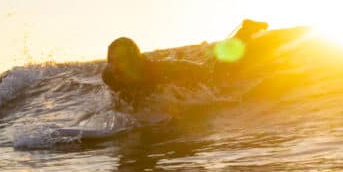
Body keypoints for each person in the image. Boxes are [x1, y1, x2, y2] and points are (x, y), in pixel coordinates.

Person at [101, 19, 273, 104]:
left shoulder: (157, 71)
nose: (115, 65)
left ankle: (246, 31)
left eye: (121, 60)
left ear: (133, 61)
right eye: (112, 60)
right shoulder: (109, 75)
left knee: (217, 69)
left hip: (186, 70)